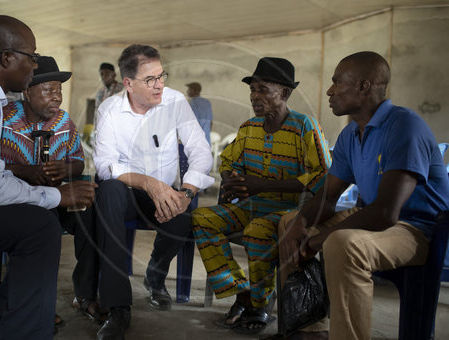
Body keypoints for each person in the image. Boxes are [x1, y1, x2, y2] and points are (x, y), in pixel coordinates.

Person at [278, 51, 449, 340]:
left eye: (336, 83)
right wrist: (300, 224)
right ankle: (308, 331)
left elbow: (386, 211)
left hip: (418, 229)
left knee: (343, 243)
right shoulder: (351, 135)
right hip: (376, 219)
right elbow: (328, 197)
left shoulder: (403, 126)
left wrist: (319, 239)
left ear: (364, 86)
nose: (330, 91)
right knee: (289, 224)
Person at [0, 15, 96, 340]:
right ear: (6, 58)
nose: (33, 66)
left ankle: (3, 320)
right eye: (30, 57)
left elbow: (74, 159)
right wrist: (60, 196)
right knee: (39, 227)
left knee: (54, 220)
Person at [191, 57, 331, 335]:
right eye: (253, 90)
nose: (255, 96)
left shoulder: (305, 127)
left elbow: (322, 176)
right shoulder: (248, 128)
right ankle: (241, 292)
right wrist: (231, 178)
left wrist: (261, 185)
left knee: (257, 231)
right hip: (249, 206)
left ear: (285, 93)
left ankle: (260, 304)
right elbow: (228, 160)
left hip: (286, 213)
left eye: (263, 89)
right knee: (203, 218)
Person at [93, 44, 213, 339]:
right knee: (108, 192)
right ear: (128, 84)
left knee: (184, 218)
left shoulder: (175, 102)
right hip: (125, 192)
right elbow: (105, 164)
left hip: (164, 192)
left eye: (162, 76)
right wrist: (147, 182)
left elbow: (201, 151)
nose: (160, 84)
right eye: (150, 79)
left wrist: (185, 193)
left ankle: (155, 277)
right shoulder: (109, 110)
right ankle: (118, 306)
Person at [0, 55, 106, 325]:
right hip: (13, 201)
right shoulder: (3, 119)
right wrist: (24, 171)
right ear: (27, 91)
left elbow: (79, 159)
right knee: (42, 223)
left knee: (90, 212)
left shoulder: (63, 122)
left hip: (56, 197)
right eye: (48, 90)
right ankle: (37, 303)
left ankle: (84, 295)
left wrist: (67, 169)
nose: (56, 97)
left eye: (58, 90)